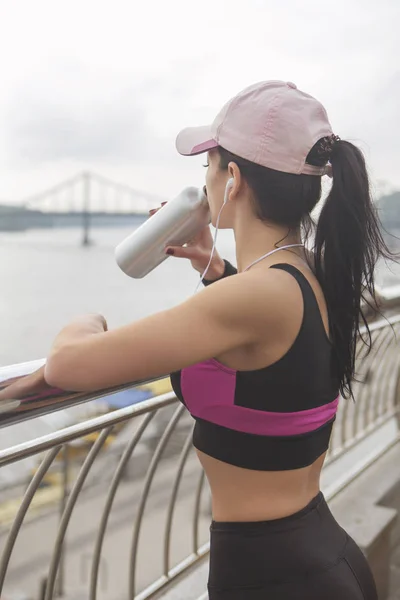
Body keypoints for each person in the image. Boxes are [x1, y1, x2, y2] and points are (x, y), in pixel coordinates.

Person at [0, 80, 388, 599]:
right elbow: (267, 356)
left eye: (207, 163)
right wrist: (213, 266)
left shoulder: (253, 297)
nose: (202, 178)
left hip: (274, 577)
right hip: (311, 557)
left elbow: (69, 363)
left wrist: (87, 318)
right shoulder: (310, 274)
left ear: (233, 178)